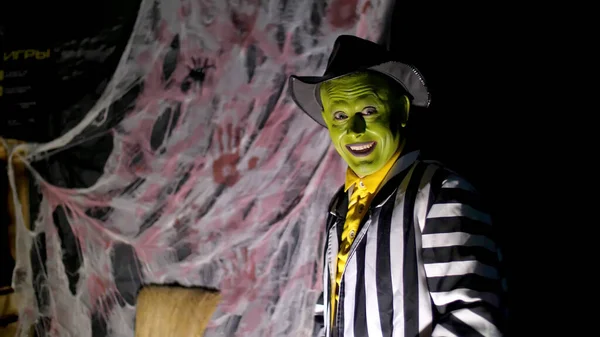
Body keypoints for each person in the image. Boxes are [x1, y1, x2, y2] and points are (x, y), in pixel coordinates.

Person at [289, 35, 505, 337]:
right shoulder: (340, 205)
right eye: (340, 116)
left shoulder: (440, 194)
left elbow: (475, 322)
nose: (354, 130)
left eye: (368, 111)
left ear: (401, 111)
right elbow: (329, 310)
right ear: (327, 120)